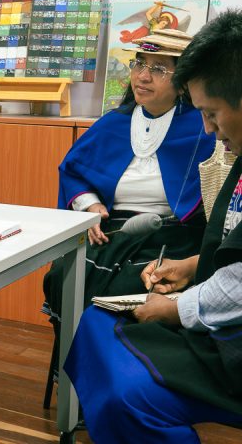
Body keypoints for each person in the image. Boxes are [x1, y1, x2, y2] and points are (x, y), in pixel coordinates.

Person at [63, 9, 242, 444]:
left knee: (125, 390)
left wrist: (178, 308)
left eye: (212, 114)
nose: (210, 131)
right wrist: (193, 265)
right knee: (95, 324)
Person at [43, 29, 215, 343]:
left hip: (175, 233)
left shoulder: (204, 126)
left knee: (132, 285)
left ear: (183, 81)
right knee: (62, 278)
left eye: (159, 69)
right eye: (139, 64)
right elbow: (73, 172)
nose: (143, 76)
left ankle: (114, 369)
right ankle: (75, 373)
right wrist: (90, 206)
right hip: (114, 228)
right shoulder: (113, 124)